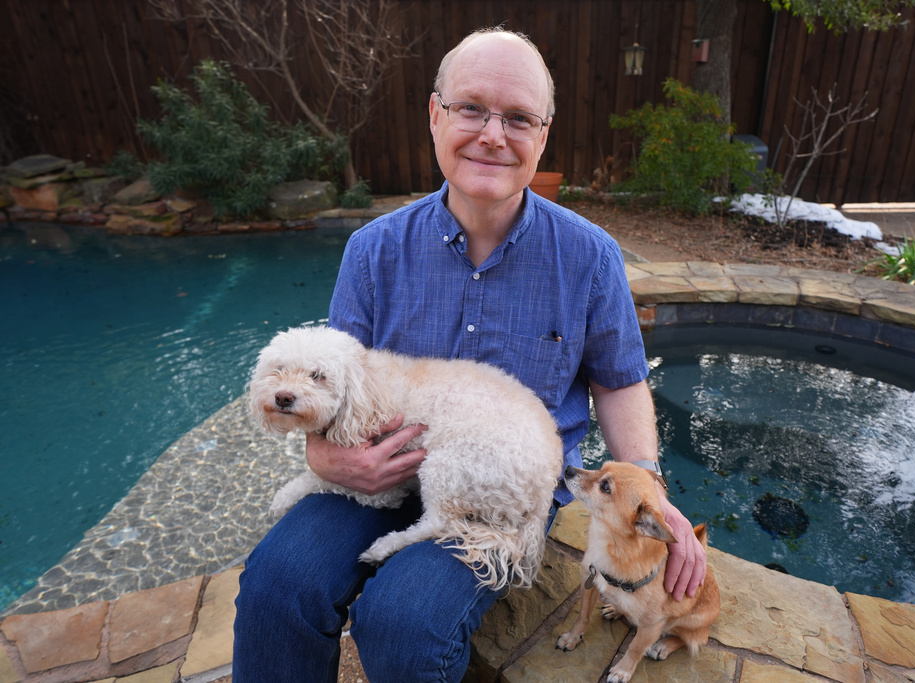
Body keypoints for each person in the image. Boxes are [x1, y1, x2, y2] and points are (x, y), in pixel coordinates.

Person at [233, 27, 707, 681]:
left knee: (401, 622)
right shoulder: (372, 252)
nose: (492, 134)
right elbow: (329, 383)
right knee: (274, 586)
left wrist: (650, 489)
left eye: (517, 117)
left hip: (494, 492)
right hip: (373, 473)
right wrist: (323, 455)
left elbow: (619, 381)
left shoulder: (590, 257)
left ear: (543, 135)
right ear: (435, 115)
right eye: (471, 109)